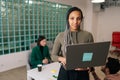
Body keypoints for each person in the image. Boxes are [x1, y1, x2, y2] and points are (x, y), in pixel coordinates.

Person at [51, 7, 94, 80]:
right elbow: (53, 56)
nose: (75, 21)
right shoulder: (61, 36)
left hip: (82, 72)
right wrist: (63, 59)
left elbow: (92, 55)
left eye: (78, 18)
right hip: (65, 72)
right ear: (68, 19)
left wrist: (87, 66)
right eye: (72, 18)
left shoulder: (88, 35)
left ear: (81, 20)